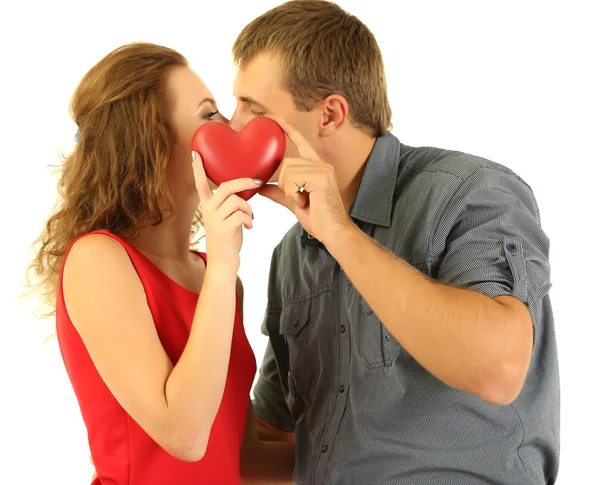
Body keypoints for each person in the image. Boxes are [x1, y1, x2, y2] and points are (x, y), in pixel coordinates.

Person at [229, 1, 560, 484]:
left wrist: (340, 234)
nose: (233, 126)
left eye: (253, 111)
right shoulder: (290, 258)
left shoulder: (468, 191)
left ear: (330, 115)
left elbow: (499, 367)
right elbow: (273, 448)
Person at [27, 42, 293, 484]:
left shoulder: (216, 277)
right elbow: (185, 436)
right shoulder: (98, 260)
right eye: (209, 114)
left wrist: (365, 457)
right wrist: (225, 266)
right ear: (149, 139)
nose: (230, 125)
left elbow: (242, 461)